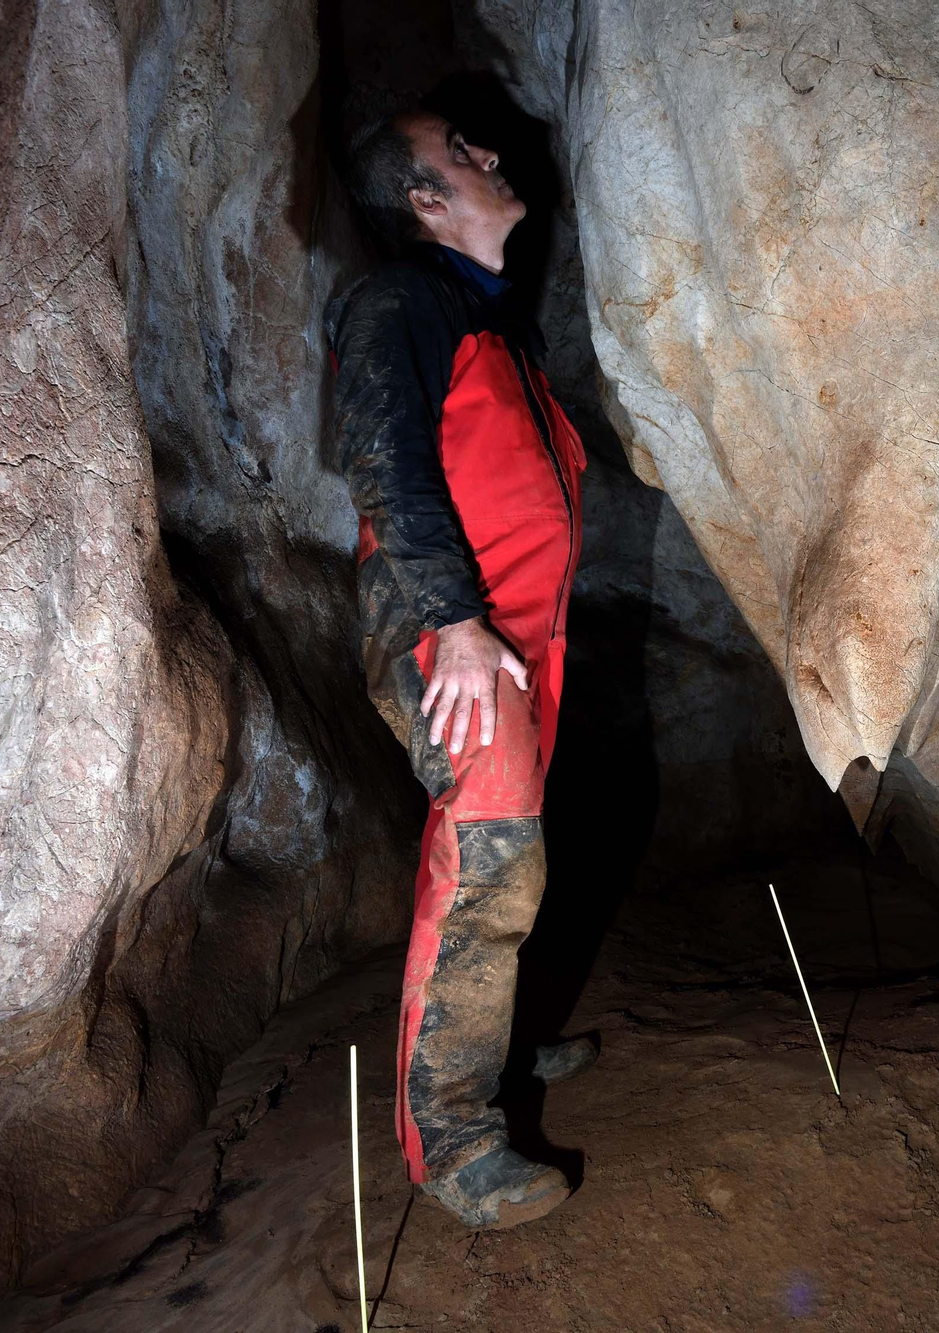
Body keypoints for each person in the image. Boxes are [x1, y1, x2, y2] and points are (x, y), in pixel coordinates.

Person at [330, 100, 594, 1230]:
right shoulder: (403, 300)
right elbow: (384, 455)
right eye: (460, 154)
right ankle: (452, 1141)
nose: (489, 155)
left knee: (511, 856)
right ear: (425, 200)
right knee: (486, 863)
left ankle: (506, 1044)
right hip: (456, 634)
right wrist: (455, 621)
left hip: (511, 639)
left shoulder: (485, 321)